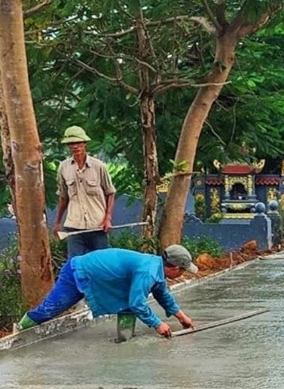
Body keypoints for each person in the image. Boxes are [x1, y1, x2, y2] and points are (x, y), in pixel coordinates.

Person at [16, 245, 198, 337]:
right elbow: (138, 304)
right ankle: (19, 331)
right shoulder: (148, 272)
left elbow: (163, 294)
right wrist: (158, 324)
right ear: (173, 267)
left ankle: (125, 341)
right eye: (183, 269)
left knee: (126, 306)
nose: (183, 273)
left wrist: (182, 318)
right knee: (51, 309)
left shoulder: (155, 267)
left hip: (99, 278)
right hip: (79, 272)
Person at [53, 126, 116, 258]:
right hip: (74, 226)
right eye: (71, 144)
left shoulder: (99, 166)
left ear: (84, 144)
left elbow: (110, 192)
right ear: (68, 146)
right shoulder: (63, 167)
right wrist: (58, 222)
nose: (75, 146)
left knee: (100, 263)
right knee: (75, 265)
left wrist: (108, 218)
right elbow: (63, 197)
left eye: (78, 143)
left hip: (97, 226)